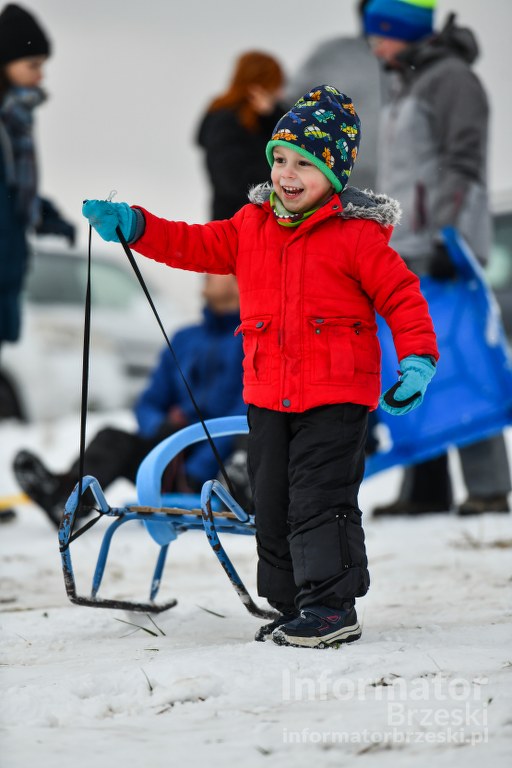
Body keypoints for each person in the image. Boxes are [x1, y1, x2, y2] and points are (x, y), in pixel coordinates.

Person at [81, 85, 439, 649]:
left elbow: (403, 297)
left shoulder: (357, 238)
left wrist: (417, 359)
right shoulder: (251, 226)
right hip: (269, 393)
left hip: (336, 397)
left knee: (319, 499)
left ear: (334, 175)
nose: (287, 174)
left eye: (305, 163)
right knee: (271, 501)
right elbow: (191, 244)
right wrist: (137, 224)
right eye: (280, 159)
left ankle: (331, 607)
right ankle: (292, 603)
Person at [363, 0, 511, 517]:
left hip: (441, 248)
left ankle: (489, 486)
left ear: (403, 30)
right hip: (407, 247)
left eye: (380, 35)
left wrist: (450, 236)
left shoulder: (451, 80)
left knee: (459, 357)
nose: (374, 46)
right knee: (412, 359)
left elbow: (461, 163)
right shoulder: (409, 82)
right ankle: (425, 487)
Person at [13, 274, 247, 527]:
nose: (208, 275)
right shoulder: (185, 338)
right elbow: (148, 401)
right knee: (112, 439)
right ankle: (66, 499)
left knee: (244, 445)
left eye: (220, 270)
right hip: (171, 449)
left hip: (218, 461)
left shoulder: (248, 340)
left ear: (239, 283)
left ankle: (234, 498)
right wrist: (158, 426)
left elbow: (243, 413)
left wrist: (197, 469)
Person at [0, 3, 74, 522]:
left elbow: (15, 195)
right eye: (33, 64)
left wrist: (47, 216)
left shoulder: (17, 117)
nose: (41, 74)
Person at [286, 0, 382, 192]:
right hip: (341, 176)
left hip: (404, 180)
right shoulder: (333, 55)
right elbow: (291, 105)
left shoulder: (416, 61)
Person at [196, 50, 285, 220]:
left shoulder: (267, 119)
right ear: (259, 86)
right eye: (275, 86)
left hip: (261, 220)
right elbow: (232, 181)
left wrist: (272, 116)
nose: (280, 93)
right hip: (234, 223)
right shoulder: (225, 122)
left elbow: (296, 141)